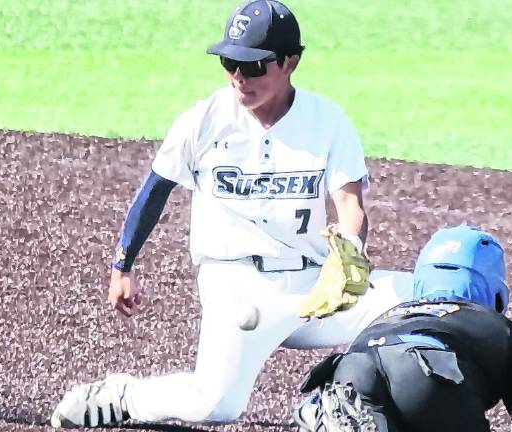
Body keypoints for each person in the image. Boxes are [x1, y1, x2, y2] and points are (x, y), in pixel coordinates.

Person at [50, 0, 412, 428]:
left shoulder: (328, 122)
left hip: (314, 288)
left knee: (423, 298)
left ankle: (374, 405)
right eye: (230, 62)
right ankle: (123, 396)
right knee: (216, 404)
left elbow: (350, 203)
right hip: (237, 284)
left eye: (254, 65)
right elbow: (156, 188)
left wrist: (349, 252)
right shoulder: (204, 119)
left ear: (290, 62)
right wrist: (122, 264)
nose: (240, 77)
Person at [293, 225, 512, 432]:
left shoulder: (389, 315)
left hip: (351, 368)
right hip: (429, 370)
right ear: (495, 290)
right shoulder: (498, 329)